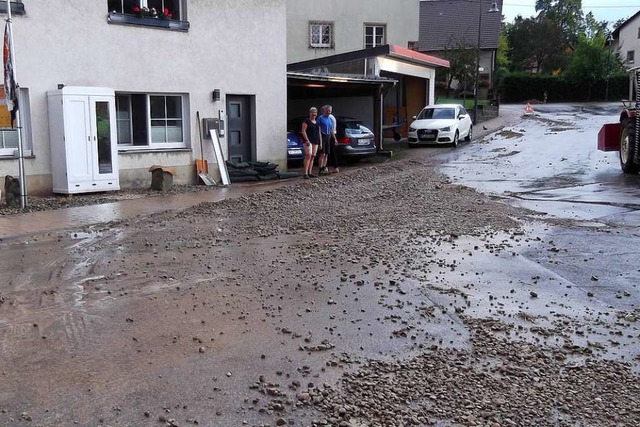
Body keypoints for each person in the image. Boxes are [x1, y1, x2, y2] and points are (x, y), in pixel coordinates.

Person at [317, 105, 339, 174]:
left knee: (326, 154)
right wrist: (320, 142)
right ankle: (320, 169)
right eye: (328, 110)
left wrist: (335, 139)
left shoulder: (329, 119)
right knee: (322, 154)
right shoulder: (320, 118)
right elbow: (319, 130)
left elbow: (331, 129)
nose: (329, 112)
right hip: (322, 136)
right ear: (324, 111)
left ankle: (324, 167)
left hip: (328, 136)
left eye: (330, 111)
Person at [300, 107, 321, 179]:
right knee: (308, 155)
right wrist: (307, 140)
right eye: (312, 112)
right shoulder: (306, 121)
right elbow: (303, 131)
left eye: (315, 112)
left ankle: (310, 172)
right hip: (308, 141)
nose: (314, 114)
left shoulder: (317, 122)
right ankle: (305, 173)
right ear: (310, 113)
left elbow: (319, 133)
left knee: (313, 156)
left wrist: (320, 142)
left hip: (316, 141)